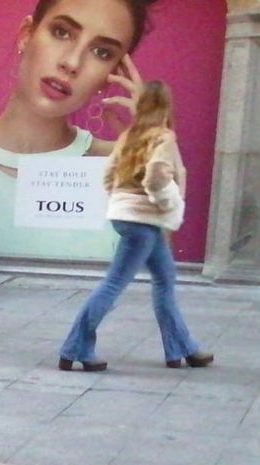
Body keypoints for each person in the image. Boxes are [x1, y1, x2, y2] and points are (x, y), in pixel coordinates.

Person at [0, 0, 152, 260]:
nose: (72, 63)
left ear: (112, 74)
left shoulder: (121, 170)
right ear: (26, 35)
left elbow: (145, 291)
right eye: (62, 33)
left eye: (102, 52)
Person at [57, 81, 211, 372]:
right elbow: (156, 175)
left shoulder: (131, 135)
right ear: (165, 106)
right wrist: (166, 201)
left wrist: (119, 196)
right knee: (114, 284)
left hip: (129, 216)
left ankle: (182, 348)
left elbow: (110, 171)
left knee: (165, 280)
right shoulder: (163, 137)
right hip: (144, 219)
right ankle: (75, 348)